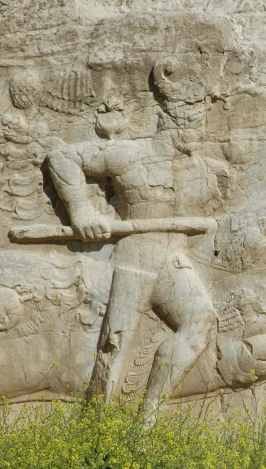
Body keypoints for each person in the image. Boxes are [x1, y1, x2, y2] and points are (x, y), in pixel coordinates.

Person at [46, 102, 220, 422]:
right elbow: (62, 157)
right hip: (136, 257)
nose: (200, 134)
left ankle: (147, 417)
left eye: (202, 125)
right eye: (193, 125)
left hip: (173, 259)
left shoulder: (198, 169)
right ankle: (98, 425)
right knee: (117, 343)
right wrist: (81, 212)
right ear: (169, 122)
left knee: (202, 319)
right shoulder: (130, 153)